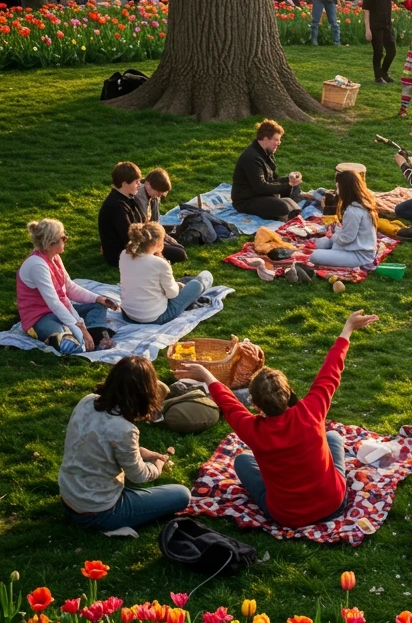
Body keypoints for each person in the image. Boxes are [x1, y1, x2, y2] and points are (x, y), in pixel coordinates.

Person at [182, 310, 379, 527]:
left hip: (287, 516)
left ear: (256, 405)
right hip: (333, 504)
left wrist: (205, 374)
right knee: (332, 435)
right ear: (288, 393)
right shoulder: (311, 410)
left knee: (241, 460)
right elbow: (331, 371)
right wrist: (347, 329)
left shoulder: (251, 429)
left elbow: (228, 403)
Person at [58, 356, 191, 532]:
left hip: (69, 496)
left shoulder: (87, 401)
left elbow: (98, 444)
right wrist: (157, 464)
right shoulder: (125, 429)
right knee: (182, 494)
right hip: (98, 513)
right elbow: (138, 476)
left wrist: (142, 452)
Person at [17, 218, 117, 354]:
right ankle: (85, 337)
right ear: (51, 243)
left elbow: (69, 288)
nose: (66, 239)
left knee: (98, 305)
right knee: (63, 340)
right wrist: (80, 328)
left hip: (60, 309)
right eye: (63, 238)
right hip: (40, 317)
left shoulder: (55, 257)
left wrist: (98, 298)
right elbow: (54, 303)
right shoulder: (37, 265)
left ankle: (93, 335)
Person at [119, 222, 213, 324]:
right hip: (155, 318)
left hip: (128, 315)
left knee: (184, 281)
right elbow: (172, 294)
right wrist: (178, 286)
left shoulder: (124, 254)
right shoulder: (159, 264)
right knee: (205, 276)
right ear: (157, 243)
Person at [232, 119, 302, 221]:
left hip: (261, 194)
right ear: (265, 138)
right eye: (276, 140)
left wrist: (290, 179)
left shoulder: (266, 153)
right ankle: (282, 212)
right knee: (282, 207)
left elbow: (272, 180)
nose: (279, 143)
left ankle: (287, 210)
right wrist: (288, 185)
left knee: (294, 197)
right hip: (247, 200)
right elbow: (261, 187)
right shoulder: (252, 158)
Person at [312, 166, 379, 270]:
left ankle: (332, 252)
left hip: (359, 255)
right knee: (322, 243)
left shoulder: (353, 210)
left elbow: (346, 239)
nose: (337, 191)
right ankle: (332, 250)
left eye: (338, 187)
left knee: (314, 255)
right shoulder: (360, 204)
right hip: (353, 247)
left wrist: (334, 236)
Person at [362, 0, 412, 84]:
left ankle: (383, 72)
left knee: (392, 51)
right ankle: (378, 77)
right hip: (375, 26)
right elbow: (366, 9)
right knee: (378, 52)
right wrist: (367, 29)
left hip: (387, 25)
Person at [134, 167, 188, 263]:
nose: (159, 195)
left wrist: (165, 237)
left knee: (179, 247)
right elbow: (141, 227)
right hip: (143, 239)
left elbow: (155, 221)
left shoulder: (153, 196)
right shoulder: (138, 197)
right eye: (158, 191)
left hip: (151, 234)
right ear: (147, 184)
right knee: (179, 254)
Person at [98, 161, 146, 266]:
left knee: (175, 248)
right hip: (120, 255)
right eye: (136, 182)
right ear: (124, 184)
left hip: (134, 246)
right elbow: (129, 237)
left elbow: (143, 222)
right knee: (177, 253)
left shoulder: (128, 198)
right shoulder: (116, 206)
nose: (139, 184)